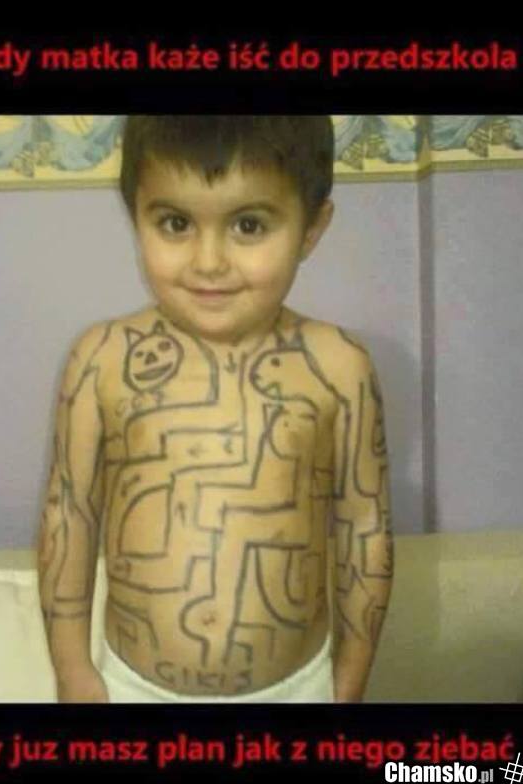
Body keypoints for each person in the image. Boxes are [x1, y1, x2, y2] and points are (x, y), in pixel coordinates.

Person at [36, 116, 394, 703]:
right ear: (136, 216)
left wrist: (349, 682)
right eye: (175, 223)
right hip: (129, 688)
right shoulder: (100, 359)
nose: (208, 261)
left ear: (311, 229)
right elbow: (68, 515)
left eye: (248, 225)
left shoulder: (339, 366)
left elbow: (365, 529)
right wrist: (72, 670)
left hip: (299, 689)